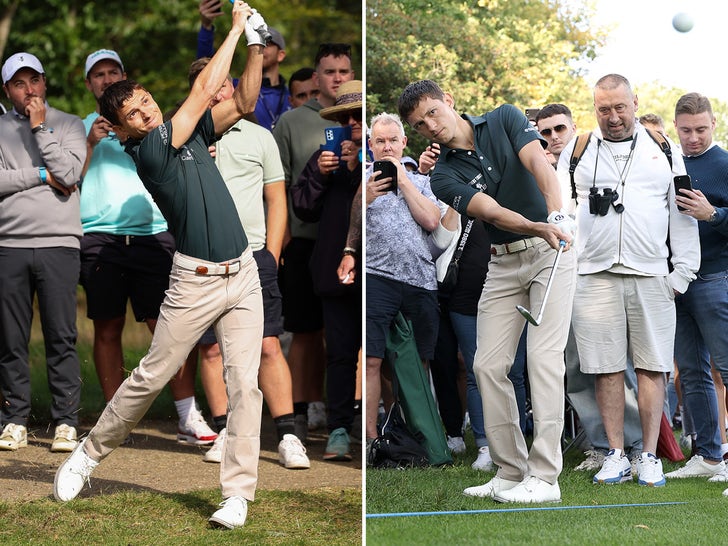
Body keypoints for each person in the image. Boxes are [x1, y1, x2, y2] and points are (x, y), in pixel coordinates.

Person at [53, 4, 268, 530]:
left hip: (242, 274)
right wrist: (236, 28)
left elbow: (242, 99)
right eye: (135, 114)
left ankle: (237, 494)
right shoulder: (149, 150)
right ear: (125, 129)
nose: (147, 114)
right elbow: (200, 95)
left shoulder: (187, 131)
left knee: (246, 384)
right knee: (150, 375)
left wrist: (258, 45)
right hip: (193, 281)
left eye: (148, 104)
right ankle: (88, 454)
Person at [398, 79, 576, 503]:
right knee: (487, 366)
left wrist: (557, 215)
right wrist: (537, 225)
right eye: (420, 124)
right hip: (504, 260)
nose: (430, 126)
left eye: (432, 113)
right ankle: (511, 470)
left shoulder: (505, 118)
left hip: (554, 250)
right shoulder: (443, 176)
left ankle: (546, 478)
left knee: (543, 359)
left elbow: (539, 165)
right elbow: (490, 211)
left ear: (449, 102)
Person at [558, 74, 700, 488]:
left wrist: (681, 275)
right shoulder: (578, 148)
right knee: (603, 369)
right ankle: (615, 454)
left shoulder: (663, 148)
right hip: (594, 275)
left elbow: (683, 213)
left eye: (620, 107)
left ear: (635, 102)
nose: (613, 116)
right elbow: (563, 208)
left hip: (651, 273)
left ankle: (650, 456)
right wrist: (571, 263)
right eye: (604, 109)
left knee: (652, 367)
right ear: (594, 108)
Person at [79, 49, 216, 447]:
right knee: (107, 327)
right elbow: (68, 179)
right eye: (98, 75)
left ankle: (187, 414)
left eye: (113, 72)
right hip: (100, 236)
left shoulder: (149, 123)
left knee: (170, 329)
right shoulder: (81, 126)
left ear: (125, 75)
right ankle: (114, 420)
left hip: (154, 232)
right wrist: (90, 142)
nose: (106, 79)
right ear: (89, 85)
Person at [185, 57, 309, 469]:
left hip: (254, 255)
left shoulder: (261, 136)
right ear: (199, 91)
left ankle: (288, 435)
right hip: (201, 257)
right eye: (211, 84)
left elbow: (277, 199)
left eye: (226, 83)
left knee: (268, 344)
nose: (220, 91)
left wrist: (271, 253)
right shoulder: (184, 139)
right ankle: (224, 430)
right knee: (211, 351)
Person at [536, 103, 644, 472]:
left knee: (616, 366)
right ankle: (601, 447)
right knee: (576, 367)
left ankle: (636, 447)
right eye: (545, 132)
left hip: (600, 276)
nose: (552, 138)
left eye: (558, 129)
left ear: (573, 128)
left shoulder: (589, 159)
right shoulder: (531, 170)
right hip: (557, 277)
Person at [0, 52, 86, 453]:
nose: (28, 89)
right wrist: (38, 175)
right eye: (19, 83)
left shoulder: (69, 123)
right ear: (7, 91)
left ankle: (66, 421)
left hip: (59, 243)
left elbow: (69, 173)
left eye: (34, 80)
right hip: (9, 244)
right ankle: (14, 419)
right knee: (11, 338)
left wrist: (39, 128)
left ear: (44, 83)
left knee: (61, 334)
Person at [273, 43, 355, 437]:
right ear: (316, 76)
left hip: (353, 244)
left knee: (350, 334)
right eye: (330, 72)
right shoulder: (291, 122)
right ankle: (303, 410)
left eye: (344, 71)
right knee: (305, 330)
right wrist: (282, 241)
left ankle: (352, 411)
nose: (337, 78)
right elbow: (280, 187)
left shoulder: (364, 121)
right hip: (307, 240)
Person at [291, 79, 363, 461]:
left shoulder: (379, 156)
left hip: (380, 272)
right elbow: (302, 208)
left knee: (382, 356)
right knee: (338, 354)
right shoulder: (325, 156)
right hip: (334, 272)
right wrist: (321, 173)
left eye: (358, 115)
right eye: (345, 116)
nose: (352, 122)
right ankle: (337, 429)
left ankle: (379, 426)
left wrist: (357, 166)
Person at [363, 113, 441, 449]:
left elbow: (431, 220)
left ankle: (418, 434)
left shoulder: (422, 182)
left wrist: (405, 181)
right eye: (379, 141)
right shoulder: (362, 182)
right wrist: (366, 198)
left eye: (392, 140)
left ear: (404, 143)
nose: (386, 147)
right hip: (376, 278)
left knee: (418, 362)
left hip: (420, 280)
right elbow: (346, 228)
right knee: (372, 360)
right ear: (370, 145)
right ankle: (371, 439)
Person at [664, 92, 728, 482]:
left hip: (717, 278)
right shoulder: (668, 163)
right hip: (675, 282)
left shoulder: (724, 164)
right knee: (690, 372)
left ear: (714, 124)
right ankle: (707, 455)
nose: (693, 138)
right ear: (676, 127)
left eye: (701, 129)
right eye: (686, 130)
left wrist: (714, 214)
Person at [196, 0, 289, 130]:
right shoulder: (237, 88)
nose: (261, 45)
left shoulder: (291, 94)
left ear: (281, 55)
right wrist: (206, 27)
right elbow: (206, 70)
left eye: (267, 43)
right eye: (255, 40)